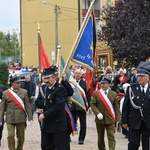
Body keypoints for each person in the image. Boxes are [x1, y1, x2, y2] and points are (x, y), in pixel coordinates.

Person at [37, 66, 68, 150]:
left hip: (58, 126)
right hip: (47, 126)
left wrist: (45, 115)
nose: (46, 81)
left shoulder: (60, 89)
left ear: (54, 77)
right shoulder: (44, 89)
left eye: (48, 78)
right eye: (44, 78)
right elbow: (39, 103)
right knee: (45, 146)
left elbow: (58, 106)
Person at [0, 75, 33, 150]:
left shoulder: (24, 92)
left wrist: (30, 118)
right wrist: (0, 119)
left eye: (20, 83)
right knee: (10, 135)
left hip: (21, 117)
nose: (19, 84)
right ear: (12, 83)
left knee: (21, 136)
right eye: (17, 83)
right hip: (10, 117)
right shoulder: (5, 93)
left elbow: (27, 105)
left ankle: (19, 148)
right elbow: (2, 107)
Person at [122, 68, 150, 150]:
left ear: (148, 78)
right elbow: (126, 106)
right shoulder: (132, 89)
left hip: (147, 121)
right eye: (138, 76)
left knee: (147, 144)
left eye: (142, 76)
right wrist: (124, 121)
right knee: (133, 143)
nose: (140, 78)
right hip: (134, 121)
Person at [90, 77, 120, 150]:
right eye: (101, 84)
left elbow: (116, 107)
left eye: (104, 84)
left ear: (108, 84)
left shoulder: (113, 94)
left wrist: (118, 119)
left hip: (111, 119)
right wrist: (97, 113)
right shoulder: (96, 94)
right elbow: (92, 104)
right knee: (100, 137)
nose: (102, 85)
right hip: (100, 119)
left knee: (111, 137)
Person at [70, 68, 91, 145]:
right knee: (70, 122)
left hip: (82, 107)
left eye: (79, 73)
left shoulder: (84, 83)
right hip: (73, 106)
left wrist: (89, 106)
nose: (78, 74)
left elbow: (88, 95)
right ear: (74, 74)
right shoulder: (71, 83)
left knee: (83, 124)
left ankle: (81, 138)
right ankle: (68, 136)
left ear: (81, 75)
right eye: (76, 73)